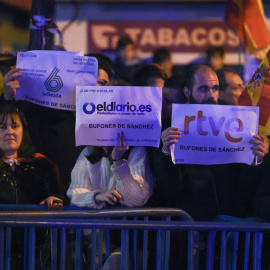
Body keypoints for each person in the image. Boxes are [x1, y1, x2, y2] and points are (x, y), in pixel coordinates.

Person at [1, 53, 116, 199]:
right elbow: (13, 121)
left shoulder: (116, 121)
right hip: (52, 204)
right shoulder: (46, 113)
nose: (94, 87)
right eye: (88, 81)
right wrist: (7, 98)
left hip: (100, 209)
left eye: (101, 83)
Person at [0, 104, 63, 269]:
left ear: (23, 131)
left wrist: (54, 199)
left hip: (35, 253)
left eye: (15, 126)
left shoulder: (41, 163)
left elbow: (57, 196)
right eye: (2, 127)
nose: (10, 132)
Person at [67, 132, 153, 209]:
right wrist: (96, 197)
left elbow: (136, 201)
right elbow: (74, 195)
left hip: (125, 223)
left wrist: (118, 161)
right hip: (96, 224)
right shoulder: (89, 151)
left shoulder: (137, 151)